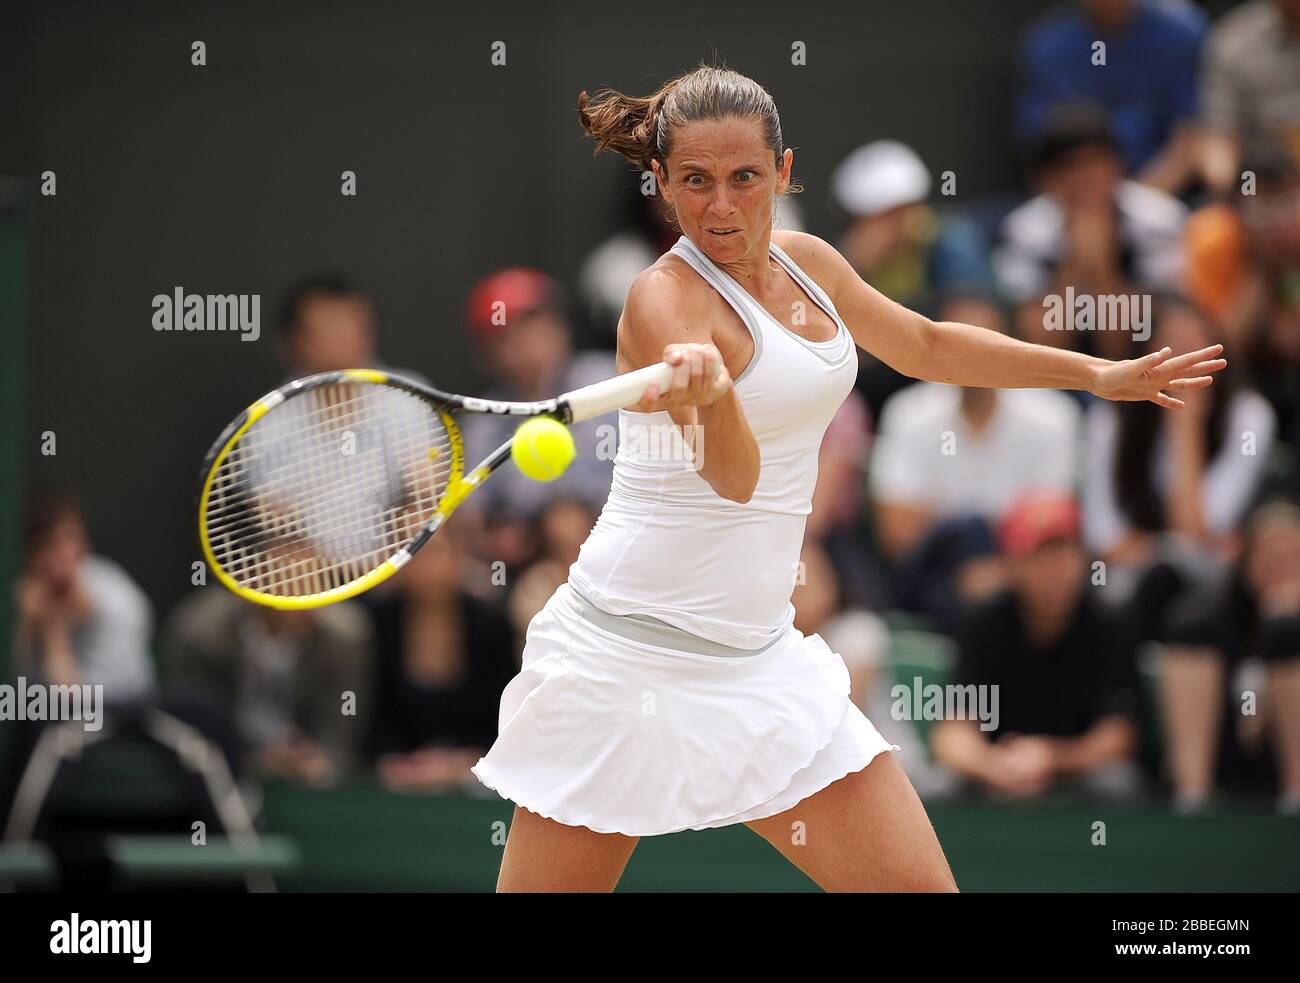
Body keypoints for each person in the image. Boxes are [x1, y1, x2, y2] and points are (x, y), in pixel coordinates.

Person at [472, 65, 1225, 893]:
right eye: (694, 181)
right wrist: (716, 392)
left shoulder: (811, 264)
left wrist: (1096, 376)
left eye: (744, 178)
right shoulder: (662, 301)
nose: (721, 206)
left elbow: (929, 345)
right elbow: (734, 479)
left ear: (784, 172)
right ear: (661, 185)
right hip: (621, 657)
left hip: (758, 662)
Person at [869, 291, 1081, 630]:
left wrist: (1001, 572)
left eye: (984, 343)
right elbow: (899, 535)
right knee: (961, 536)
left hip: (1025, 580)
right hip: (937, 578)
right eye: (959, 343)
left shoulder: (1053, 417)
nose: (972, 357)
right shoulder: (908, 415)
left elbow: (1051, 525)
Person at [931, 493, 1144, 801]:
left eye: (1064, 554)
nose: (1054, 571)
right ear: (1012, 565)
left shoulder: (1110, 624)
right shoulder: (983, 622)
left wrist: (1051, 757)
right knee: (941, 785)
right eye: (1039, 558)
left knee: (1118, 782)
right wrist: (992, 766)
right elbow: (951, 734)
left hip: (1078, 776)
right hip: (998, 774)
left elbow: (1119, 737)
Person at [1159, 499, 1300, 814]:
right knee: (1189, 638)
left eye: (1290, 560)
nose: (1278, 571)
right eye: (1268, 558)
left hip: (1278, 758)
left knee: (1288, 635)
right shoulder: (1214, 618)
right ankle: (1193, 799)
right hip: (1225, 749)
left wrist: (1284, 622)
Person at [161, 588, 374, 784]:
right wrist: (252, 757)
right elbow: (193, 726)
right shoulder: (201, 631)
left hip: (309, 778)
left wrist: (322, 758)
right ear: (254, 570)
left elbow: (341, 727)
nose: (297, 585)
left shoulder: (346, 637)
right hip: (222, 774)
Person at [365, 522, 518, 792]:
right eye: (413, 552)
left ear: (459, 555)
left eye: (434, 551)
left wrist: (463, 764)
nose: (425, 564)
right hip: (389, 787)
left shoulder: (491, 625)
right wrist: (391, 763)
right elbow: (367, 723)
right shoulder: (377, 624)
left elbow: (507, 723)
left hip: (479, 785)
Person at [1015, 0, 1206, 193]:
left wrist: (1138, 202)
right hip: (1074, 200)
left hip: (1167, 196)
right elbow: (1041, 151)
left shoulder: (1181, 32)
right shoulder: (1049, 44)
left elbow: (1191, 139)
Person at [13, 489, 154, 705]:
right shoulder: (26, 600)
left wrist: (54, 632)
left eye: (67, 540)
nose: (59, 559)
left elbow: (82, 710)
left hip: (124, 723)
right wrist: (32, 628)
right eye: (44, 547)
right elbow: (17, 698)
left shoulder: (117, 599)